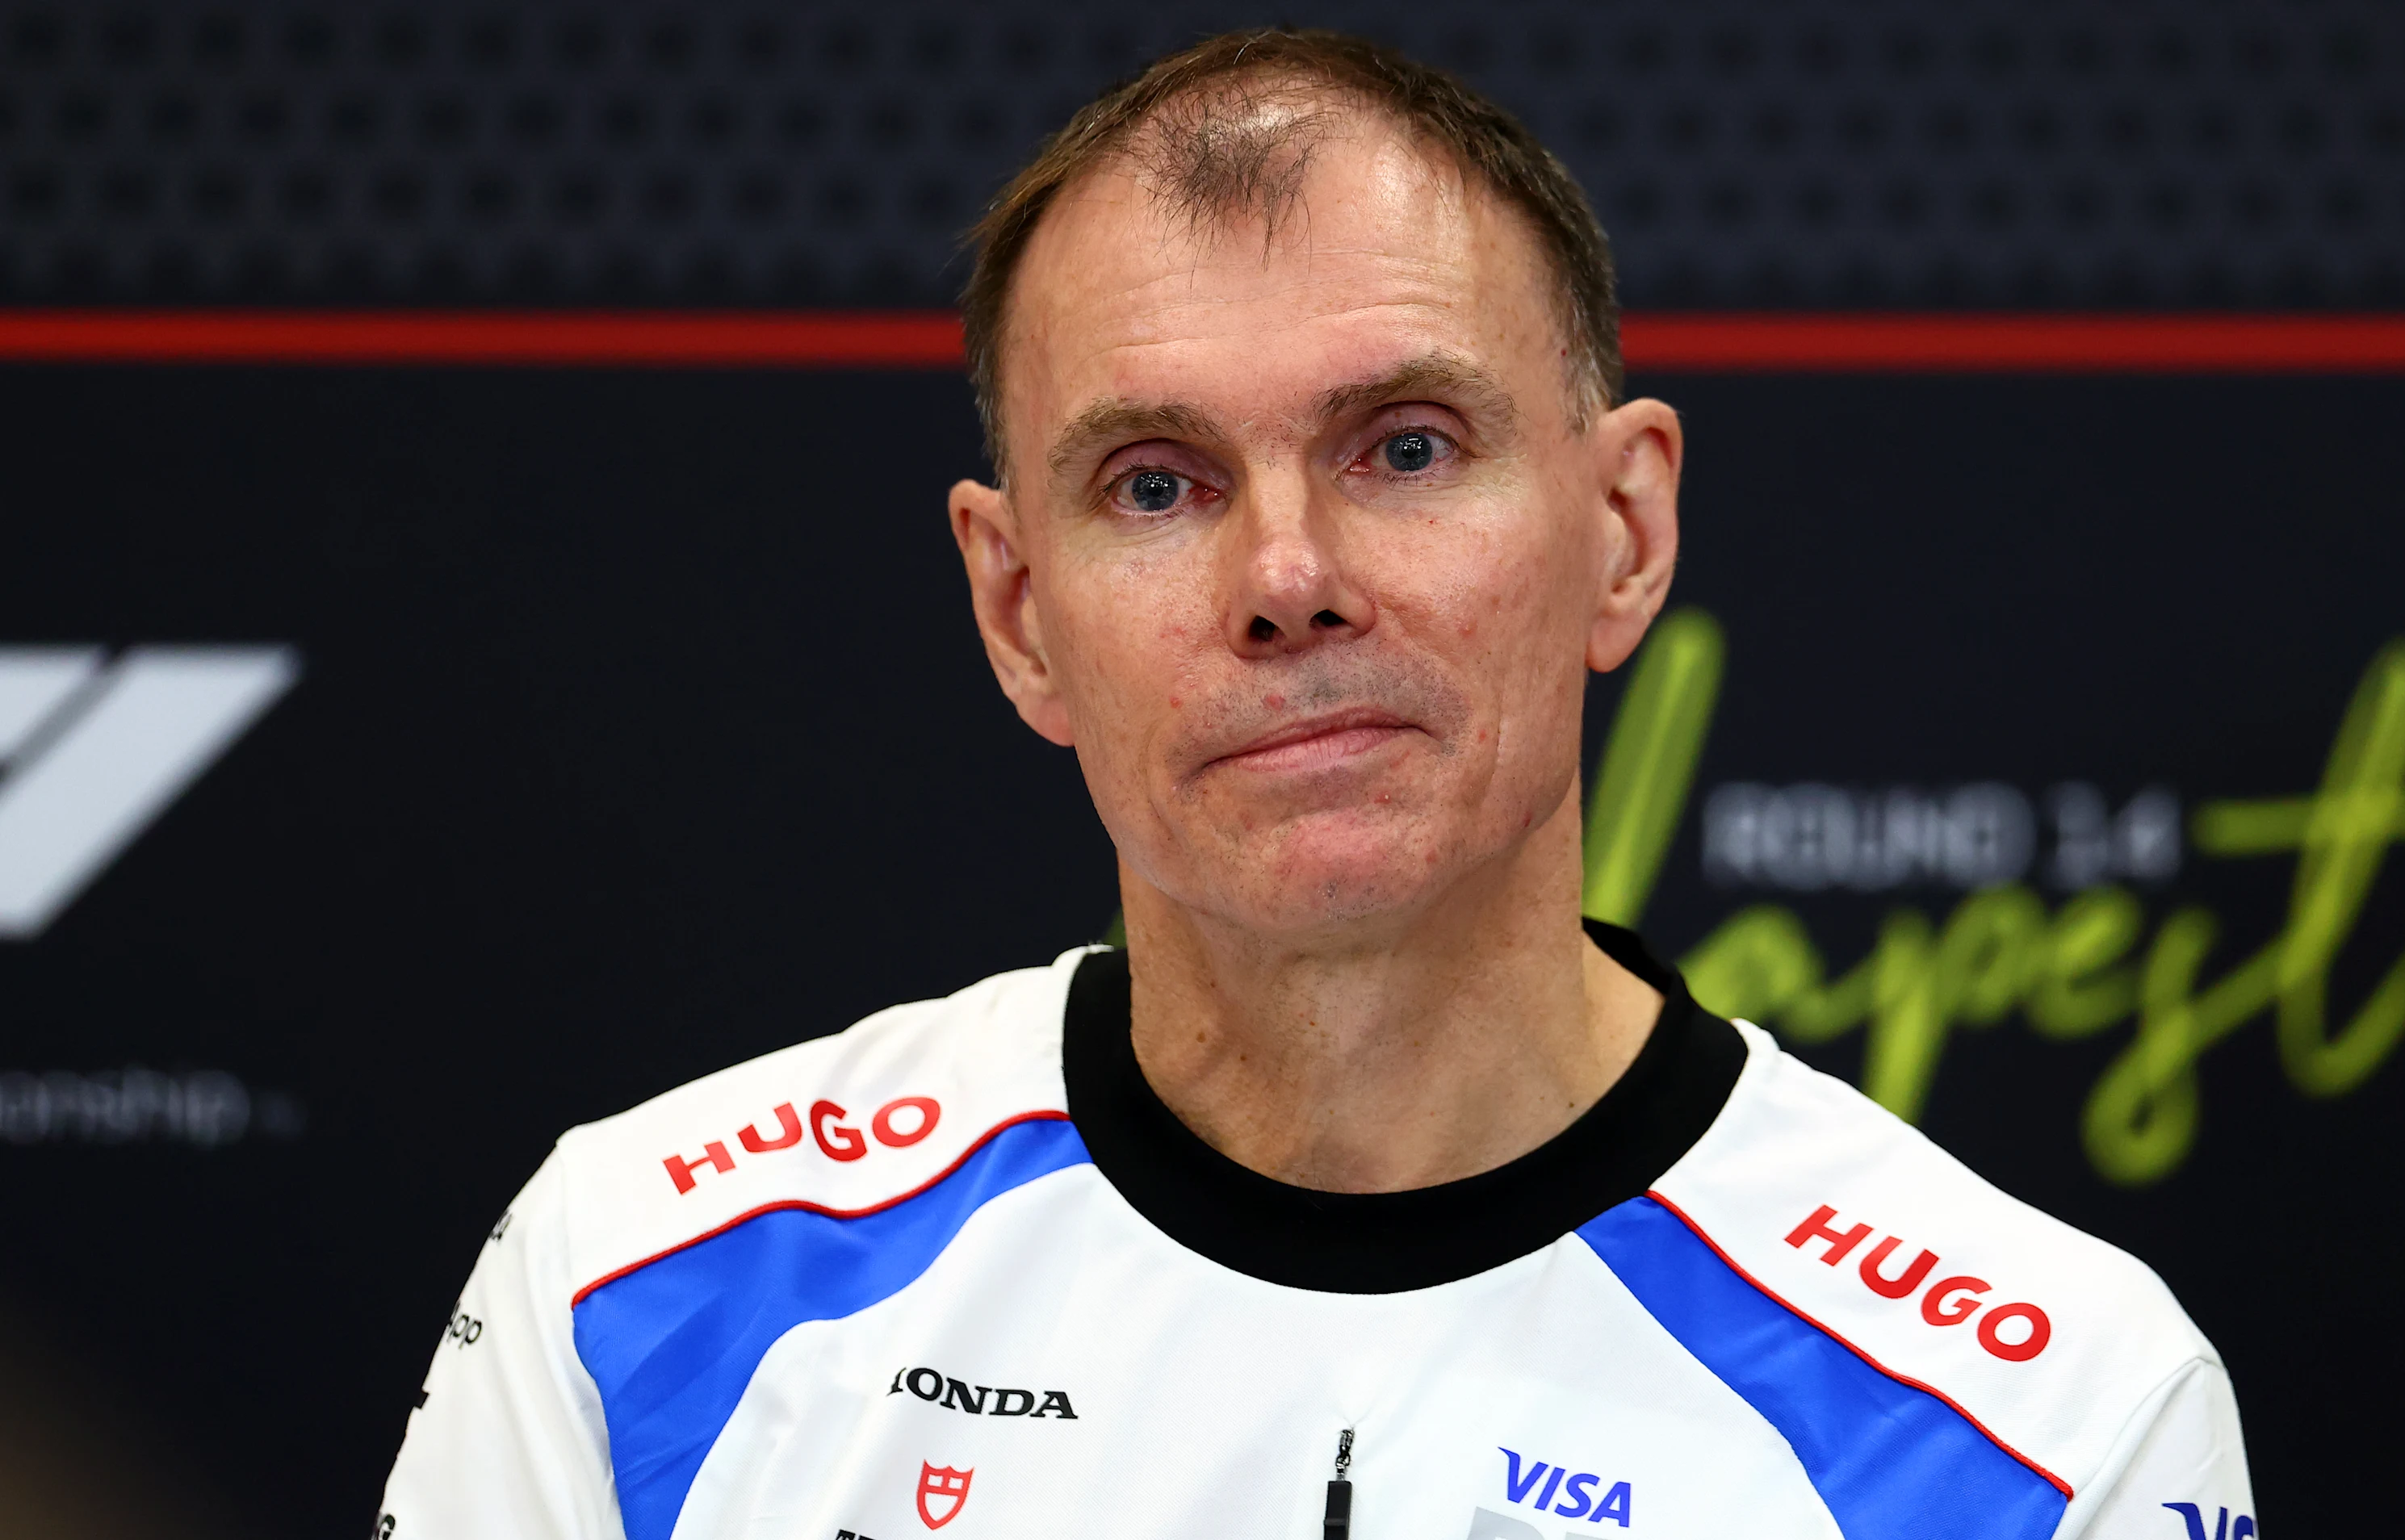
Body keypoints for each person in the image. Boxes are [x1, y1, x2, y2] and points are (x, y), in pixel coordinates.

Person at [377, 30, 2252, 1540]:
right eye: (1157, 485)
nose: (1286, 577)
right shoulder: (636, 1296)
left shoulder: (2041, 1425)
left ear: (1622, 530)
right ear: (1017, 610)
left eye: (1405, 446)